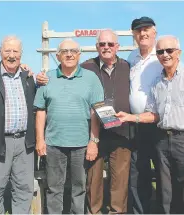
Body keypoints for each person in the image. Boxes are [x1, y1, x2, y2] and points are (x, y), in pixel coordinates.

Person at [36, 29, 133, 214]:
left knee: (118, 182)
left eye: (110, 44)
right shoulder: (88, 67)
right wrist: (37, 76)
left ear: (117, 47)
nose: (106, 47)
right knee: (91, 183)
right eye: (102, 44)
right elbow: (42, 105)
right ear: (96, 47)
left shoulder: (128, 67)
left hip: (119, 132)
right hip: (90, 135)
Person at [116, 35, 184, 214]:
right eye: (160, 51)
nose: (165, 55)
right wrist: (130, 117)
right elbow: (154, 115)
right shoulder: (156, 83)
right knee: (165, 191)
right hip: (162, 140)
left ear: (179, 53)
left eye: (169, 50)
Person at [34, 38, 104, 214]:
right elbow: (41, 111)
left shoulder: (91, 78)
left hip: (81, 144)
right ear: (57, 56)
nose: (69, 54)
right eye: (64, 51)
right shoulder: (46, 78)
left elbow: (97, 112)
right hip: (54, 143)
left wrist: (93, 141)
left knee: (79, 188)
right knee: (54, 188)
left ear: (79, 55)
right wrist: (40, 140)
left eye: (73, 51)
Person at [0, 35, 36, 214]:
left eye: (15, 51)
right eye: (7, 51)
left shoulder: (28, 77)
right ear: (0, 53)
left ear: (21, 54)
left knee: (24, 189)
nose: (11, 55)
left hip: (24, 143)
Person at [127, 16, 163, 214]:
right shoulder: (132, 57)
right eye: (138, 30)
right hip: (136, 125)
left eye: (146, 29)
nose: (143, 33)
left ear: (154, 32)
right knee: (138, 173)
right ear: (134, 34)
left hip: (160, 125)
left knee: (163, 172)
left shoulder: (163, 55)